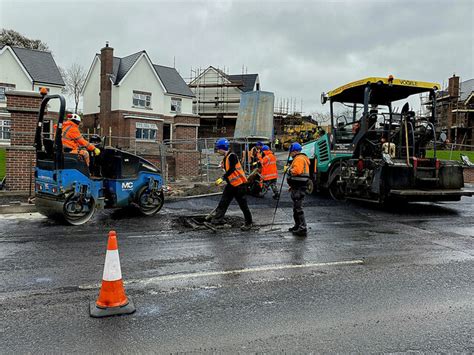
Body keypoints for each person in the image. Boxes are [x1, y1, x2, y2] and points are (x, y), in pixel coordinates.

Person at [208, 138, 253, 231]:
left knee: (243, 205)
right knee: (223, 202)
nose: (217, 151)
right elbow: (227, 166)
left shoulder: (232, 156)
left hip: (240, 185)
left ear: (222, 148)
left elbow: (232, 169)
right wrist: (222, 165)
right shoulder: (226, 157)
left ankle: (248, 223)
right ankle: (218, 220)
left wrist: (222, 178)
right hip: (231, 185)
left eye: (218, 149)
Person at [286, 142, 310, 237]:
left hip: (299, 188)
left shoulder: (299, 159)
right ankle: (297, 226)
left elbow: (297, 171)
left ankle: (302, 228)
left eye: (291, 152)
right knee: (296, 208)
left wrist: (287, 170)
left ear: (295, 151)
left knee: (298, 208)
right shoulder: (299, 158)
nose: (290, 154)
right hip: (297, 187)